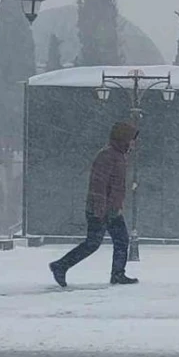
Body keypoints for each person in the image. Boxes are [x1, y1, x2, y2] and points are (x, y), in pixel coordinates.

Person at [49, 121, 138, 287]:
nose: (134, 143)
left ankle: (118, 273)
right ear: (123, 138)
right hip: (102, 209)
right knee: (94, 243)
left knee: (119, 240)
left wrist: (116, 206)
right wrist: (100, 209)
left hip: (110, 209)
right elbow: (99, 184)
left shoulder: (118, 156)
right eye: (132, 139)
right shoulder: (108, 156)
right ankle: (60, 265)